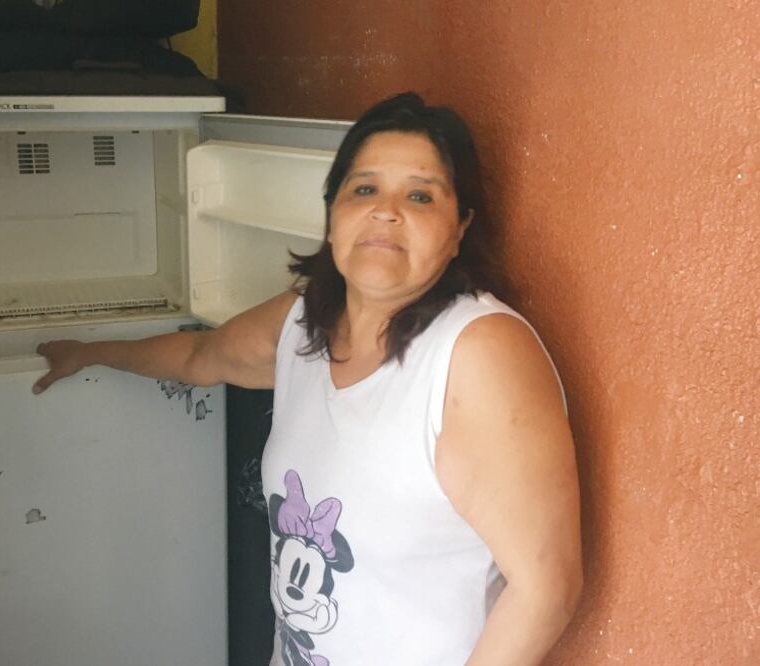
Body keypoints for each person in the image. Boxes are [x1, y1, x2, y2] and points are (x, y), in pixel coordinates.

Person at [33, 93, 582, 665]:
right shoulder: (306, 321)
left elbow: (546, 590)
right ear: (333, 211)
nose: (385, 210)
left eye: (420, 195)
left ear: (460, 226)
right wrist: (93, 352)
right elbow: (201, 356)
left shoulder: (477, 352)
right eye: (363, 188)